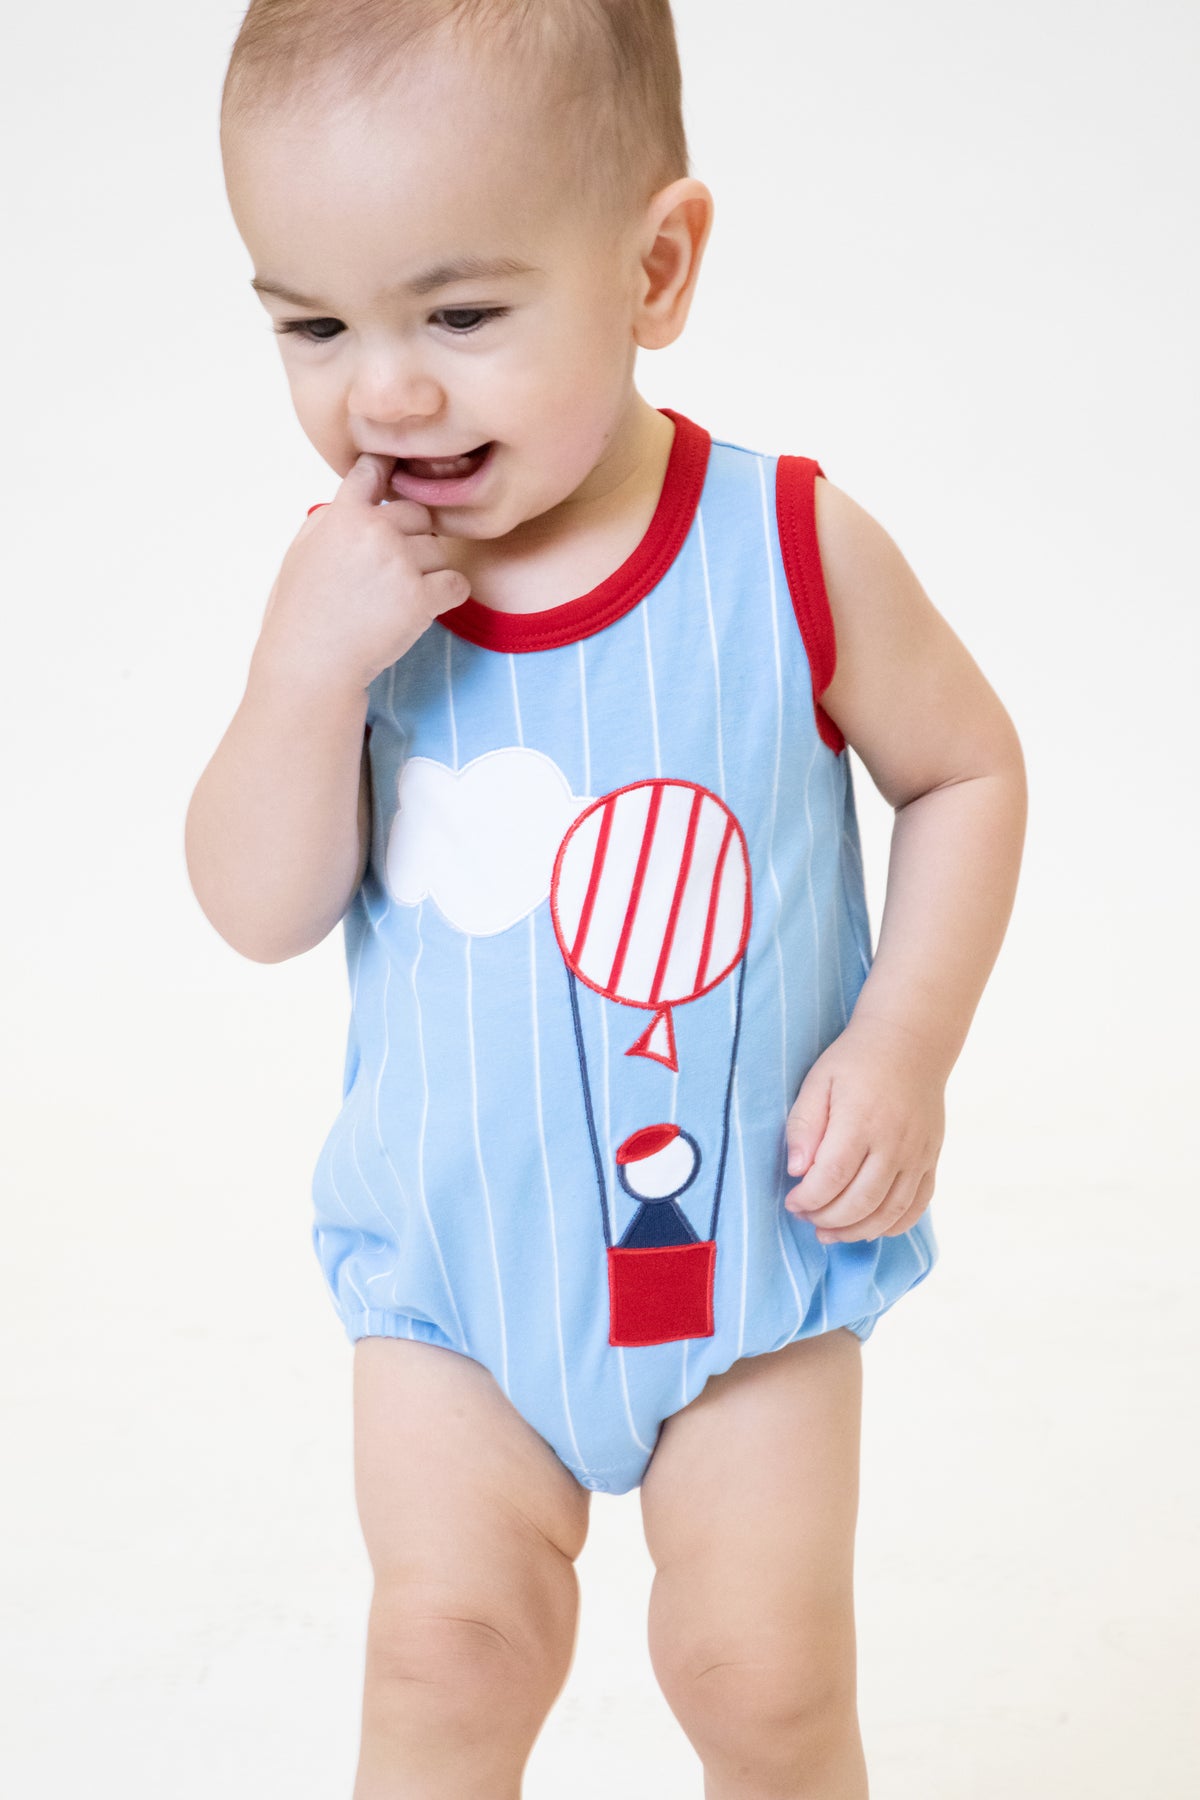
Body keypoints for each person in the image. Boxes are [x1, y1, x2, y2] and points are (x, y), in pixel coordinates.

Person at [185, 2, 1027, 1795]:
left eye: (459, 317)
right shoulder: (349, 591)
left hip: (747, 1256)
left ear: (655, 269)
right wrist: (300, 676)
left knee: (761, 1675)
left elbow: (966, 772)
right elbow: (257, 906)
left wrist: (904, 1043)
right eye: (314, 326)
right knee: (446, 1654)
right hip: (455, 1282)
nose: (382, 393)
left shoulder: (786, 545)